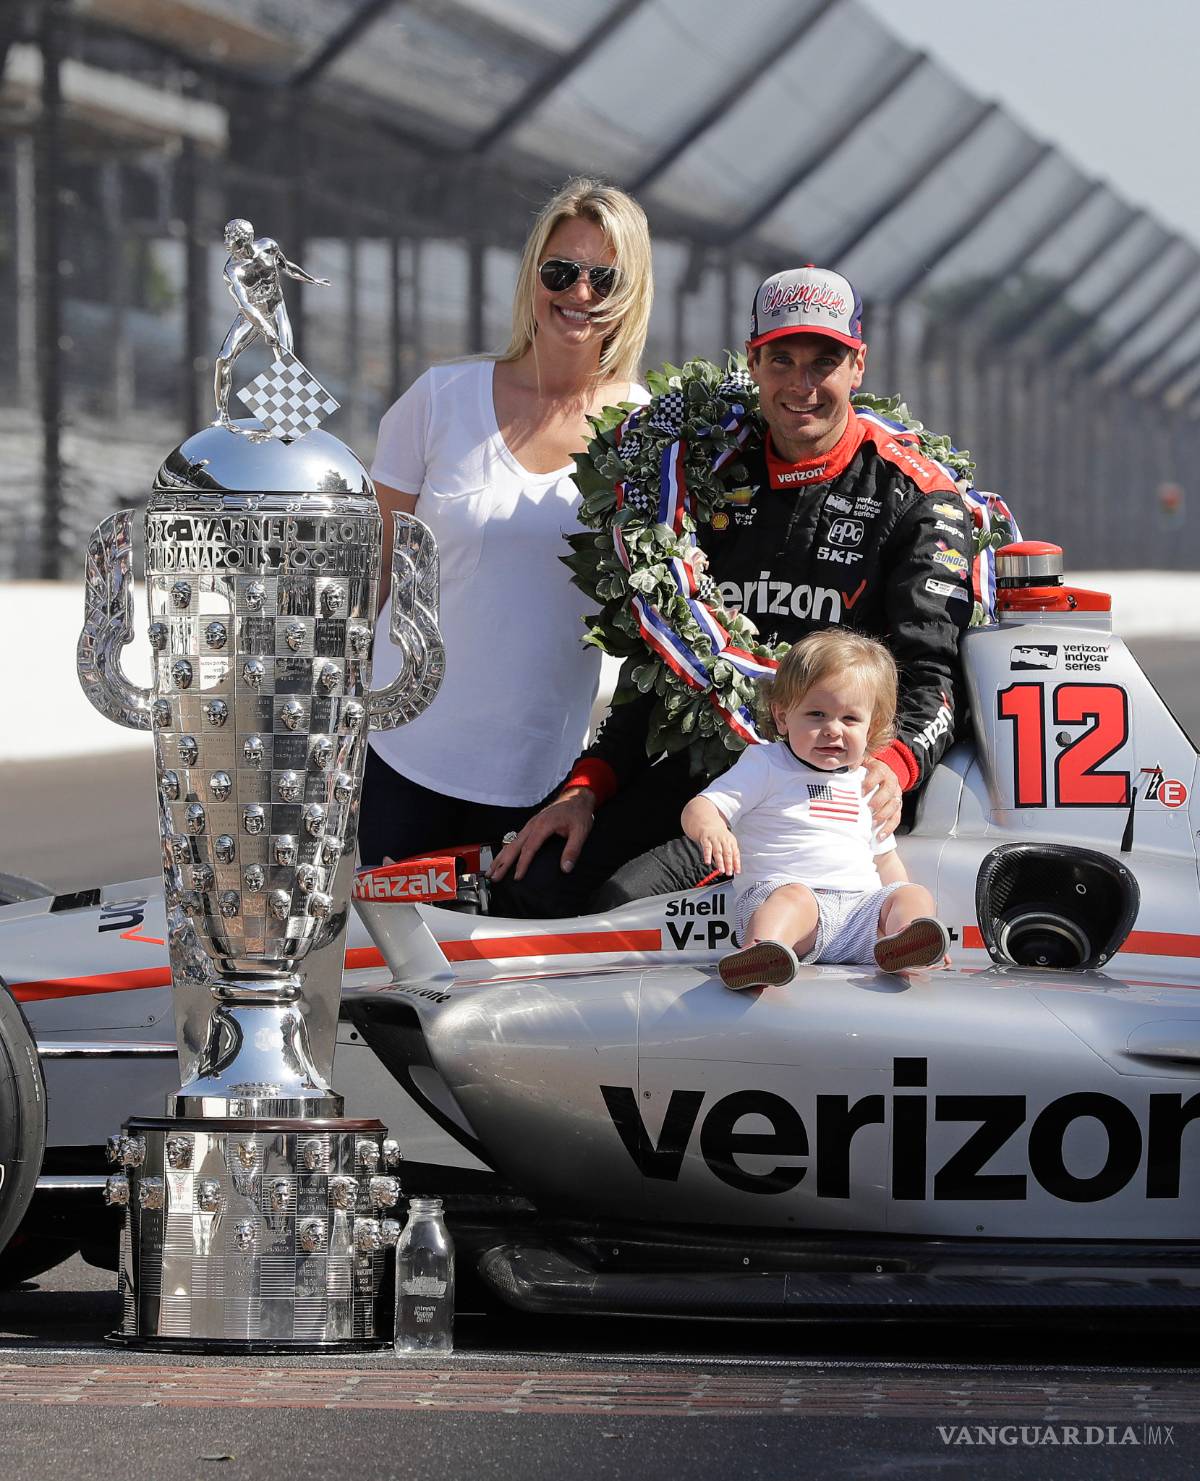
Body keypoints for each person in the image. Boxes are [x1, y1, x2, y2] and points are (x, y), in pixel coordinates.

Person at [490, 263, 974, 916]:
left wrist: (894, 765)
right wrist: (585, 788)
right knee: (533, 883)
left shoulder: (913, 496)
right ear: (753, 363)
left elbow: (934, 678)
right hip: (715, 775)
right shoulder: (710, 473)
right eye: (782, 361)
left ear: (857, 366)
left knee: (624, 906)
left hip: (830, 789)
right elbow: (662, 672)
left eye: (823, 362)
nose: (801, 385)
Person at [357, 178, 654, 866]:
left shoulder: (647, 436)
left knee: (510, 977)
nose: (579, 293)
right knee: (394, 974)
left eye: (603, 278)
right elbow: (370, 576)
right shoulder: (437, 401)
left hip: (539, 785)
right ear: (533, 278)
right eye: (561, 271)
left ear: (629, 293)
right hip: (400, 761)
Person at [682, 630, 951, 990]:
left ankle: (908, 942)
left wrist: (903, 906)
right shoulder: (766, 764)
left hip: (861, 917)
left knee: (913, 895)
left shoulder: (867, 782)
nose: (832, 731)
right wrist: (712, 828)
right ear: (782, 717)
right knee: (793, 899)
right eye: (816, 714)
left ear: (873, 727)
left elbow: (886, 862)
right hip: (792, 910)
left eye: (850, 719)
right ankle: (762, 953)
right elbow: (701, 806)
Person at [214, 218, 330, 423]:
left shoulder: (269, 246)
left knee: (286, 359)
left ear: (244, 239)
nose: (226, 241)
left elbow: (286, 267)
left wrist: (311, 280)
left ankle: (291, 415)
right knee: (223, 359)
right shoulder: (232, 270)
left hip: (276, 308)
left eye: (230, 237)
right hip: (251, 315)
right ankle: (221, 414)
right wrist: (266, 329)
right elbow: (244, 305)